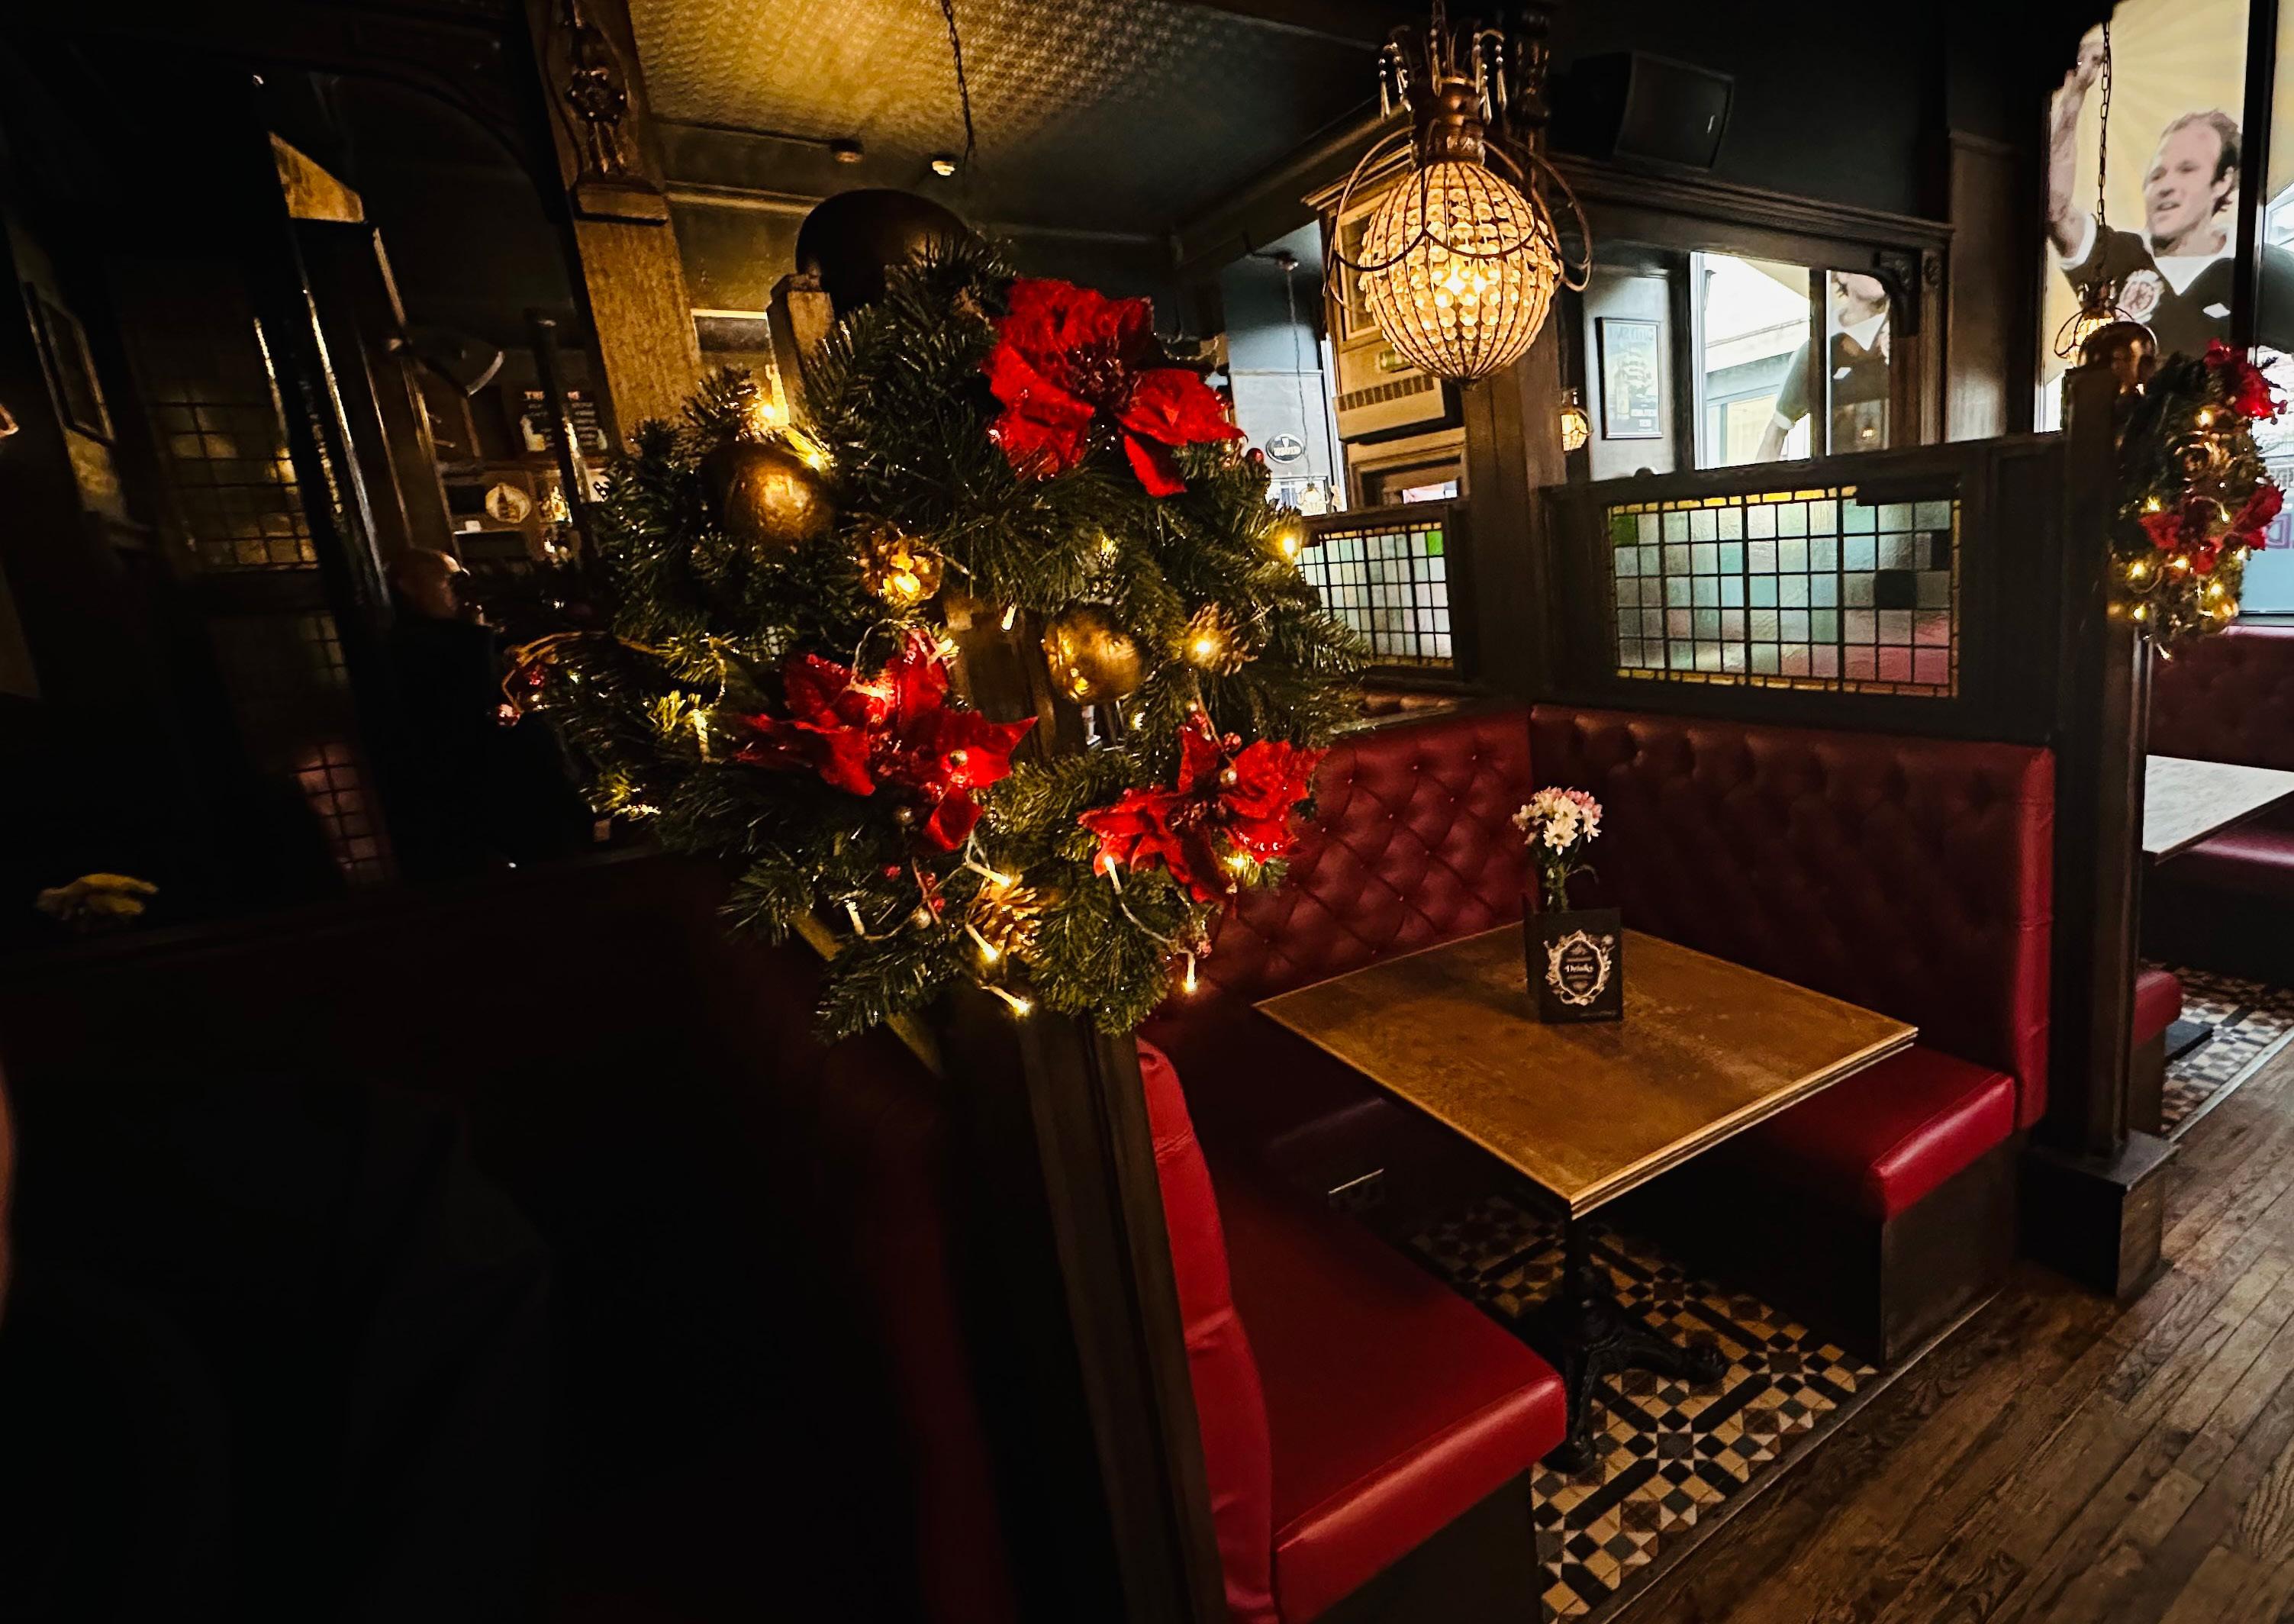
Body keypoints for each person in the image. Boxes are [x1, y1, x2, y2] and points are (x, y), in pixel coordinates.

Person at [2048, 27, 2294, 358]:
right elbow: (2055, 208)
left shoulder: (2265, 272)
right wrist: (2073, 98)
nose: (2166, 186)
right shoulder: (2120, 255)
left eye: (2187, 170)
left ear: (2223, 181)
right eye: (2158, 174)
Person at [1754, 272, 1892, 462]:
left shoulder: (1902, 338)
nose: (1879, 271)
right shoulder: (1817, 351)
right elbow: (1776, 433)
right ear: (1843, 275)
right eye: (1866, 265)